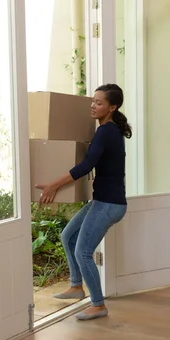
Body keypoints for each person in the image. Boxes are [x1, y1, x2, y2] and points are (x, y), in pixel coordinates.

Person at [35, 83, 131, 321]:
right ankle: (76, 287)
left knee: (84, 251)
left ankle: (98, 305)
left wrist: (54, 185)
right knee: (68, 236)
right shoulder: (109, 130)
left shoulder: (106, 131)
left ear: (112, 107)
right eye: (93, 101)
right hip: (103, 200)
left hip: (109, 204)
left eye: (99, 103)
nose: (93, 106)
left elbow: (85, 166)